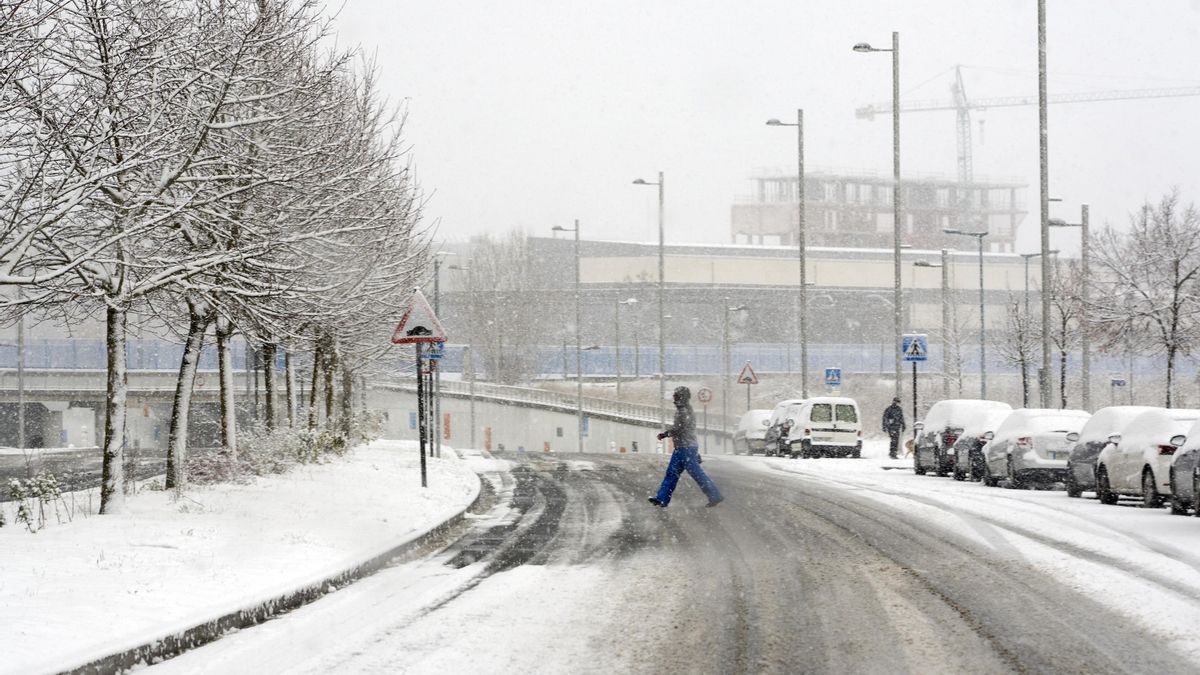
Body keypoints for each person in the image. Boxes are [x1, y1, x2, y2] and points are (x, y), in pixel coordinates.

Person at [649, 386, 723, 508]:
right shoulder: (684, 409)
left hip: (686, 448)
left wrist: (665, 434)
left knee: (694, 474)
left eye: (676, 396)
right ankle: (661, 499)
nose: (674, 398)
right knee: (673, 474)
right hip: (684, 448)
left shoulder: (684, 411)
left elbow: (680, 428)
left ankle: (715, 495)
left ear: (682, 397)